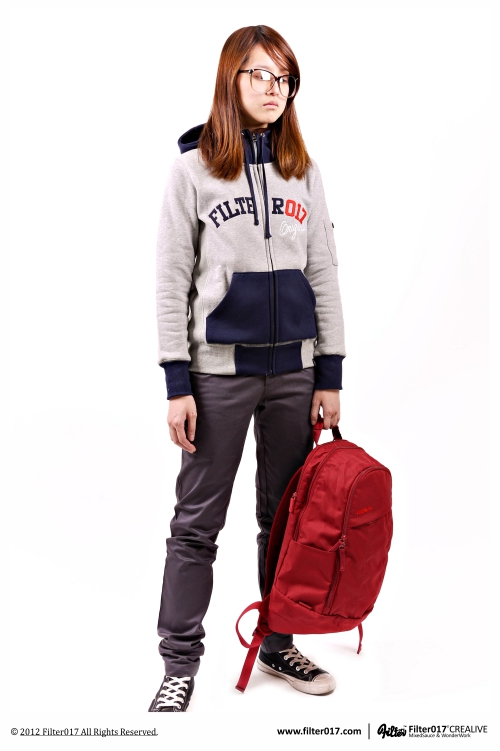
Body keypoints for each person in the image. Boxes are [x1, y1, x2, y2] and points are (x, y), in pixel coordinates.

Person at [149, 24, 346, 712]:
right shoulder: (192, 171)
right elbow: (171, 279)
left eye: (283, 78)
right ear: (230, 79)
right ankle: (178, 662)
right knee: (196, 524)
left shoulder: (303, 171)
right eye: (259, 74)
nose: (273, 88)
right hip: (217, 377)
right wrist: (177, 382)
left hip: (295, 374)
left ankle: (277, 640)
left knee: (286, 521)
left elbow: (324, 272)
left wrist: (330, 373)